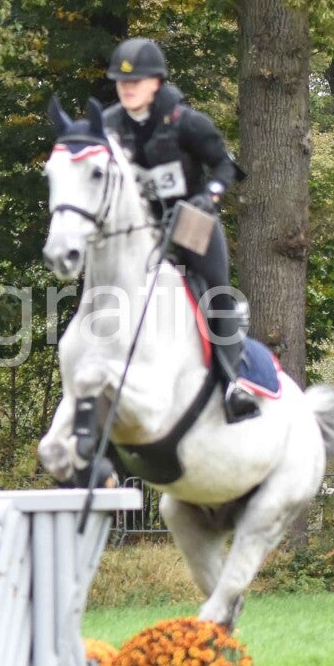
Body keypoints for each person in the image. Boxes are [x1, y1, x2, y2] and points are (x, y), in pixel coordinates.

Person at [100, 37, 258, 423]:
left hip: (190, 220)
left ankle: (233, 383)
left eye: (136, 81)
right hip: (140, 226)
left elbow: (225, 166)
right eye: (121, 82)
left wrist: (209, 196)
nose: (127, 88)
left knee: (217, 290)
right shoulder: (109, 126)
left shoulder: (187, 122)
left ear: (156, 82)